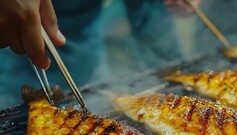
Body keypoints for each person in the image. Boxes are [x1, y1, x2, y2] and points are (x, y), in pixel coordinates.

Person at [0, 0, 199, 108]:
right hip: (18, 61)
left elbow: (150, 16)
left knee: (93, 109)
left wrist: (175, 75)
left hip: (87, 55)